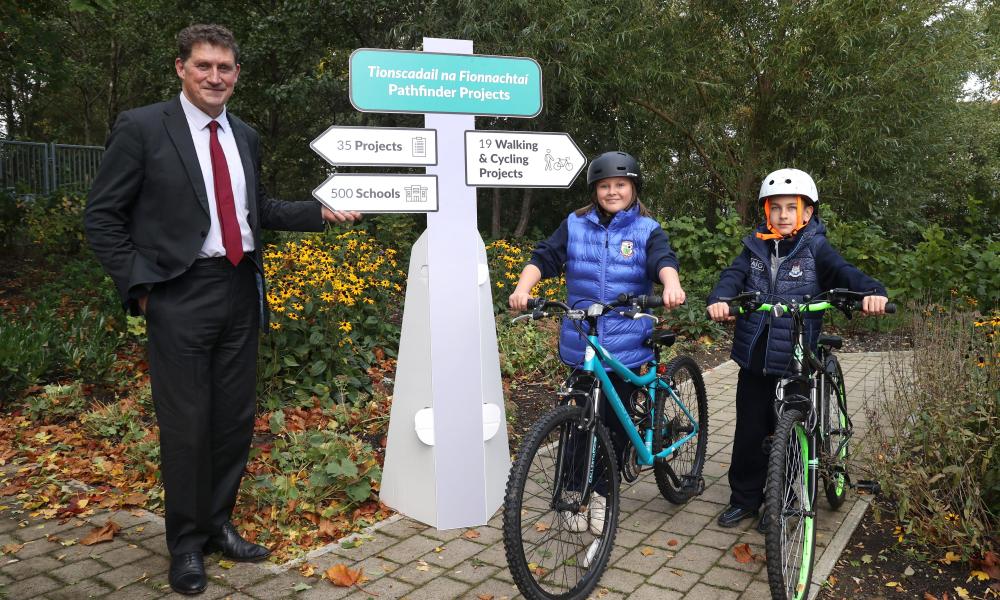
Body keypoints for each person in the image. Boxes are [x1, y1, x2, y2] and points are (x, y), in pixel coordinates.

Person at [84, 24, 360, 595]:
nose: (216, 76)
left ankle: (217, 526)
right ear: (181, 68)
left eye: (226, 68)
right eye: (205, 66)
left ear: (236, 74)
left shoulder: (246, 135)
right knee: (186, 428)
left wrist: (321, 211)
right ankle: (185, 546)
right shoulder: (142, 127)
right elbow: (103, 217)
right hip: (178, 293)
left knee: (233, 422)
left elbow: (256, 209)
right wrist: (141, 288)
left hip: (239, 289)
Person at [509, 150, 686, 534]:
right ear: (594, 190)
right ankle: (572, 494)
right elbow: (546, 256)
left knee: (614, 426)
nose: (612, 191)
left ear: (633, 188)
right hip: (582, 340)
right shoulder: (574, 225)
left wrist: (670, 283)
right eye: (605, 185)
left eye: (620, 185)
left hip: (624, 341)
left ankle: (605, 495)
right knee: (577, 424)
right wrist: (524, 287)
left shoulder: (646, 229)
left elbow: (662, 259)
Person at [706, 168, 888, 532]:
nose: (784, 215)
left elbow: (843, 272)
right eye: (776, 208)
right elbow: (732, 276)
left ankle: (787, 500)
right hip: (755, 355)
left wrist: (872, 291)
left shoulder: (816, 247)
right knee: (749, 431)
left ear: (808, 213)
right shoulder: (753, 247)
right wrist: (721, 299)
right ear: (766, 212)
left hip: (796, 354)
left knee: (791, 434)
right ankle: (744, 499)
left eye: (793, 207)